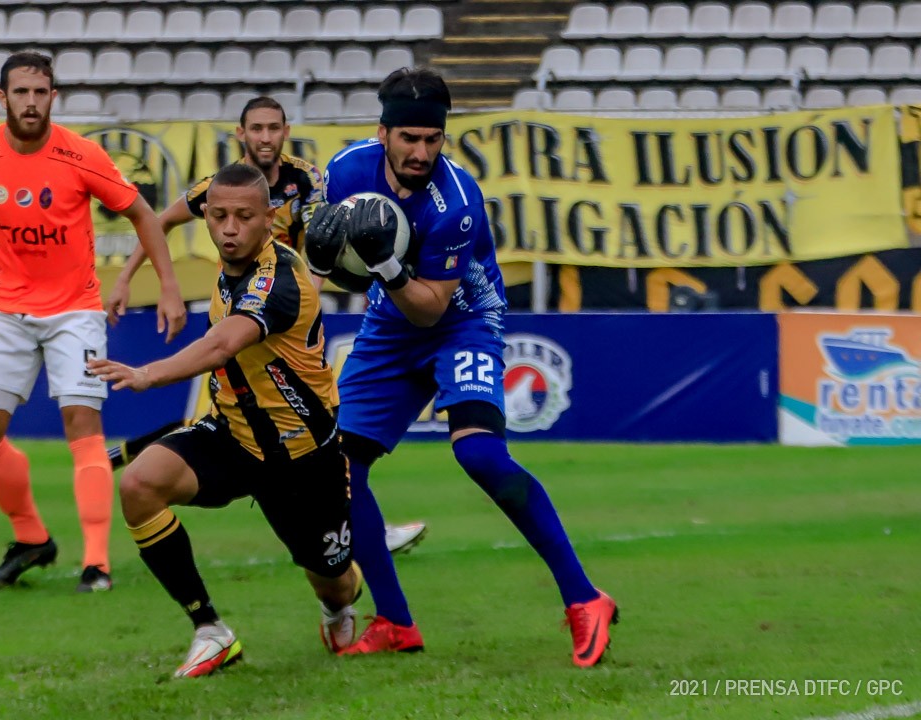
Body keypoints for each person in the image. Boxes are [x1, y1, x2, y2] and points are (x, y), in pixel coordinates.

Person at [305, 68, 619, 667]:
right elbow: (341, 263)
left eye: (433, 139)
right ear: (383, 134)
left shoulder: (458, 205)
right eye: (409, 138)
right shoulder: (346, 171)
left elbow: (429, 307)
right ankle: (395, 622)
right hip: (388, 324)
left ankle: (585, 599)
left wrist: (386, 266)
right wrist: (324, 266)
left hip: (462, 321)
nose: (421, 153)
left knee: (480, 455)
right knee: (337, 470)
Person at [103, 95, 428, 556]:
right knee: (241, 419)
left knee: (302, 423)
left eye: (273, 127)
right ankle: (356, 531)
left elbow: (322, 239)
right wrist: (153, 284)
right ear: (241, 134)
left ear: (285, 132)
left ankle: (354, 528)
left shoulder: (305, 180)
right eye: (256, 128)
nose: (265, 137)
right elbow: (160, 221)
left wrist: (305, 294)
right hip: (237, 310)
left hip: (284, 313)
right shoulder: (220, 187)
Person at [87, 164, 361, 678]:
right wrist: (154, 280)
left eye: (243, 217)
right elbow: (154, 218)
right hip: (232, 436)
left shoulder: (280, 280)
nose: (229, 229)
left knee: (334, 582)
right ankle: (210, 630)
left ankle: (338, 604)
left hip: (302, 455)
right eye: (218, 216)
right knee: (140, 484)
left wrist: (147, 374)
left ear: (269, 219)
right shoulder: (230, 255)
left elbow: (221, 345)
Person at [0, 51, 187, 593]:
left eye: (40, 92)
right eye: (20, 92)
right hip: (7, 311)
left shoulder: (81, 155)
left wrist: (168, 286)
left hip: (75, 311)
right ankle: (31, 538)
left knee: (81, 422)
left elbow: (142, 214)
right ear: (2, 98)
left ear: (54, 97)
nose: (31, 102)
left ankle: (96, 563)